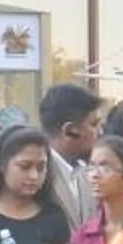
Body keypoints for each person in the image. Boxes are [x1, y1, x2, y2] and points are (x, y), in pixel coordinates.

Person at [37, 82, 102, 233]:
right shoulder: (36, 176)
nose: (100, 132)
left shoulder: (90, 173)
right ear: (70, 130)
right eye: (94, 124)